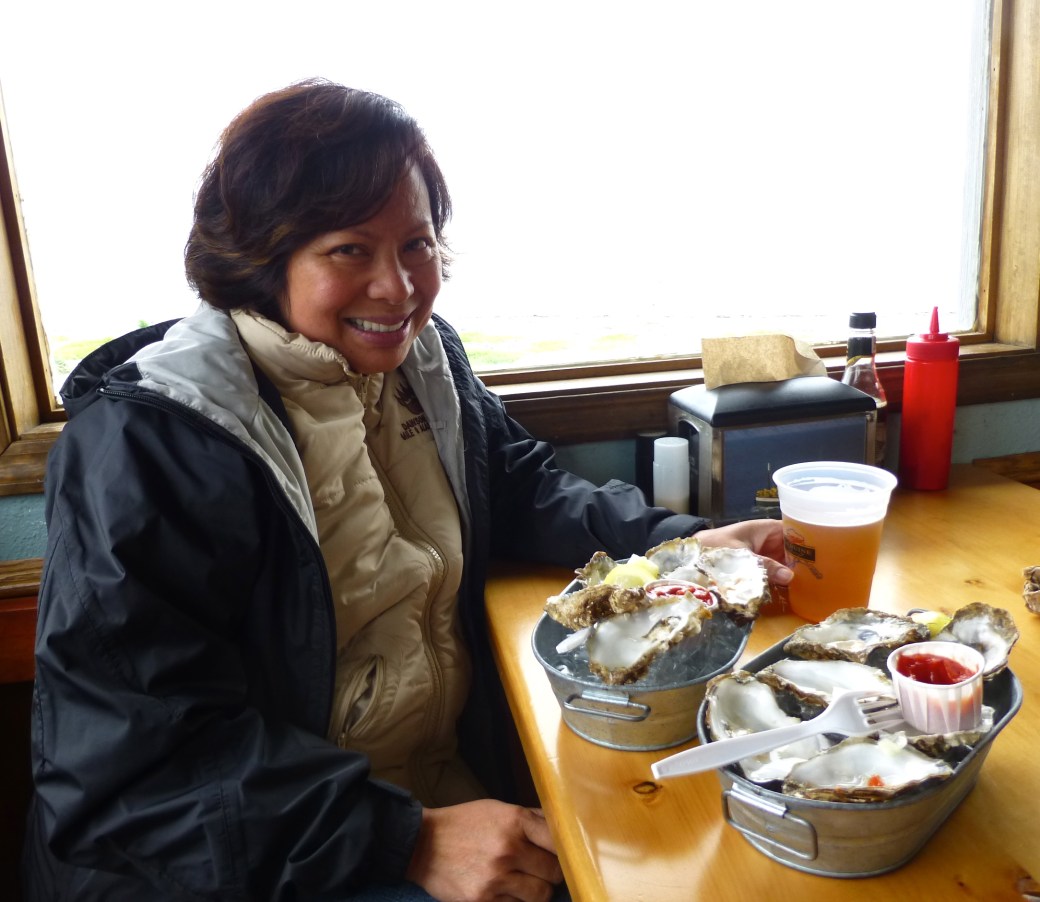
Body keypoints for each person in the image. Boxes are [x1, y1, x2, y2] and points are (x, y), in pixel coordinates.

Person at [22, 79, 792, 901]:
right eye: (350, 249)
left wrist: (676, 547)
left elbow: (513, 485)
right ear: (261, 257)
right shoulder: (157, 441)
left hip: (430, 790)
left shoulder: (425, 362)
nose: (398, 288)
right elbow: (130, 770)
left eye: (417, 246)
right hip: (257, 862)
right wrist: (408, 839)